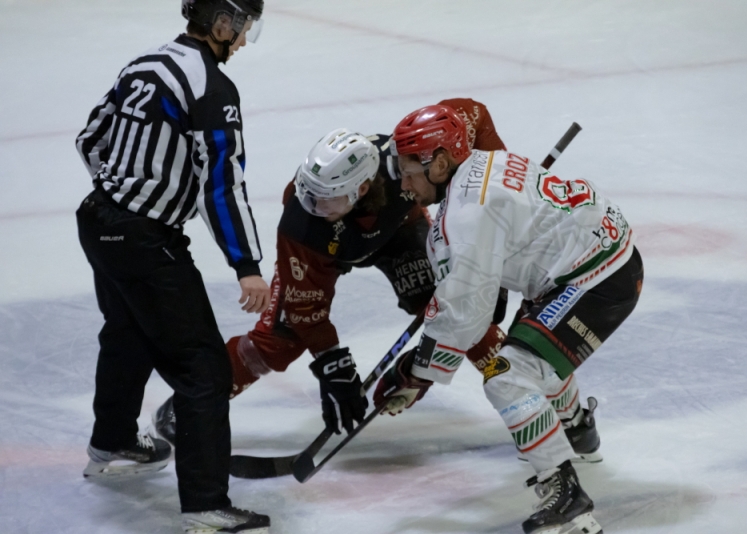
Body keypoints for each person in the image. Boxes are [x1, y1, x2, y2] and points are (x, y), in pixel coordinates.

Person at [150, 98, 509, 440]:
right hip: (325, 254)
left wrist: (495, 190)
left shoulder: (406, 160)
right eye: (309, 192)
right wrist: (332, 364)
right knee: (277, 341)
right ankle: (192, 403)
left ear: (362, 189)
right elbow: (306, 310)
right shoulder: (304, 225)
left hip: (399, 230)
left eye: (325, 198)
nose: (312, 205)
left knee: (460, 309)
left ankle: (535, 399)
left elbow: (472, 113)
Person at [373, 105, 644, 534]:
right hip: (597, 257)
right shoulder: (486, 160)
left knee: (505, 375)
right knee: (530, 348)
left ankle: (566, 496)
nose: (404, 185)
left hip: (594, 279)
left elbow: (464, 315)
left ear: (440, 163)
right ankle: (575, 431)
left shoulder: (464, 214)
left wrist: (414, 372)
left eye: (409, 172)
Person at [75, 1, 272, 532]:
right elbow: (221, 184)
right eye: (243, 28)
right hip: (144, 240)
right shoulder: (211, 86)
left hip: (97, 222)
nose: (245, 41)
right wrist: (247, 265)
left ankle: (112, 440)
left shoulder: (143, 65)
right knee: (203, 371)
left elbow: (90, 139)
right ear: (223, 23)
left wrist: (123, 192)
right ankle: (206, 506)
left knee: (128, 335)